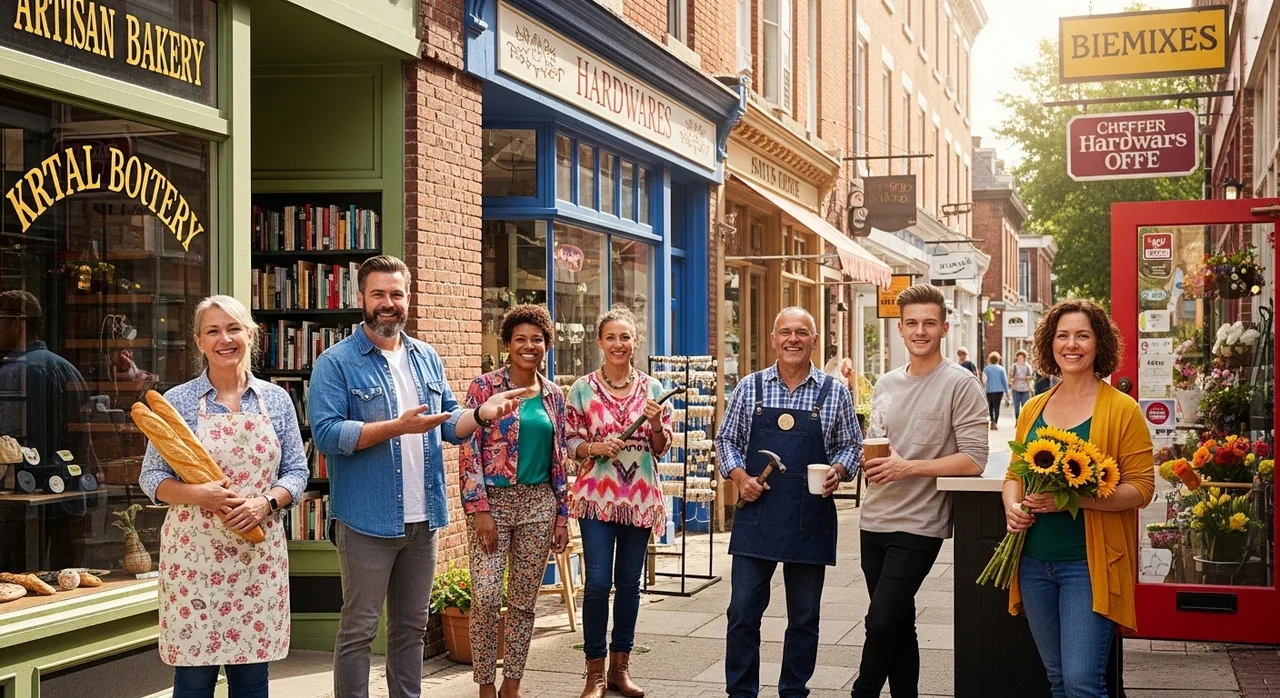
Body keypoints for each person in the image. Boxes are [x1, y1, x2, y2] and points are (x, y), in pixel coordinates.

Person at [309, 255, 526, 698]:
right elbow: (327, 435)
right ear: (360, 299)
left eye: (396, 294)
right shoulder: (336, 362)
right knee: (359, 629)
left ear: (408, 299)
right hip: (366, 519)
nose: (387, 303)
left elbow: (449, 423)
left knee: (410, 629)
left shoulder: (425, 355)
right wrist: (395, 427)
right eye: (378, 295)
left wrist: (482, 414)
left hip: (423, 519)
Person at [139, 295, 309, 698]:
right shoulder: (178, 402)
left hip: (256, 558)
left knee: (252, 681)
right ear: (199, 341)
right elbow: (151, 478)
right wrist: (200, 495)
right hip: (194, 560)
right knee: (194, 680)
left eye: (233, 328)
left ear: (250, 334)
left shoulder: (276, 400)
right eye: (213, 331)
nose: (224, 339)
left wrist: (264, 503)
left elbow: (297, 472)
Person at [1003, 300, 1154, 698]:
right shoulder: (1034, 407)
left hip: (1088, 567)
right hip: (1034, 564)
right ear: (1050, 345)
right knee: (1057, 679)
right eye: (1063, 335)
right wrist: (1012, 508)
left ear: (1098, 343)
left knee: (1083, 684)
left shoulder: (1124, 410)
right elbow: (1013, 476)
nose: (1072, 345)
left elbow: (1141, 489)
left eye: (1082, 335)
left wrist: (1072, 500)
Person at [718, 307, 862, 698]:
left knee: (804, 617)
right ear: (773, 339)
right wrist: (739, 477)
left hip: (810, 517)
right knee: (743, 612)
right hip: (757, 515)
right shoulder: (750, 388)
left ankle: (793, 690)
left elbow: (852, 446)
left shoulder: (835, 392)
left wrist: (840, 470)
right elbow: (725, 441)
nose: (793, 339)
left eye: (802, 332)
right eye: (786, 332)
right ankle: (741, 692)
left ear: (814, 340)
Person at [853, 284, 988, 698]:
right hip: (873, 519)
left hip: (919, 525)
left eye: (929, 323)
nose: (920, 331)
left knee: (879, 621)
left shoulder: (960, 384)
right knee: (897, 622)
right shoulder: (886, 383)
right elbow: (880, 444)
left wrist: (908, 467)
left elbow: (974, 460)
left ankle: (862, 692)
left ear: (945, 328)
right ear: (900, 329)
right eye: (912, 323)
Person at [458, 305, 570, 698]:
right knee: (487, 597)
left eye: (536, 339)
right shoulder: (484, 388)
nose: (529, 346)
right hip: (493, 504)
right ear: (507, 344)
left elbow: (560, 459)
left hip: (539, 504)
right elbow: (468, 450)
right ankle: (485, 685)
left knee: (523, 603)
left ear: (547, 346)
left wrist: (561, 515)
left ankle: (513, 685)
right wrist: (480, 510)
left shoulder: (555, 395)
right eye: (520, 339)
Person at [565, 306, 672, 698]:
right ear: (599, 342)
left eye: (625, 337)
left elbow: (660, 449)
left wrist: (657, 423)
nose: (618, 344)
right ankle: (593, 672)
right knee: (597, 583)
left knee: (629, 585)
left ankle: (619, 668)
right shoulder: (581, 388)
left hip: (640, 499)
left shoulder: (654, 389)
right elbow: (570, 442)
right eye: (611, 337)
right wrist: (596, 445)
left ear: (635, 342)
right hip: (596, 498)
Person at [982, 352, 1010, 429]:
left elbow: (984, 380)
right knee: (997, 406)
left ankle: (992, 420)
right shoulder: (1001, 369)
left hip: (989, 390)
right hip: (999, 390)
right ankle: (996, 422)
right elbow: (1004, 381)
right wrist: (1007, 392)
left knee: (990, 406)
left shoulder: (986, 369)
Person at [1009, 350, 1034, 420]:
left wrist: (1027, 378)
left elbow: (1031, 376)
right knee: (1016, 406)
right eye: (1018, 357)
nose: (1019, 358)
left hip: (1025, 388)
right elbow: (1011, 376)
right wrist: (1012, 379)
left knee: (1025, 405)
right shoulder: (1014, 366)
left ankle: (1024, 420)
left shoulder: (1027, 366)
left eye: (1021, 357)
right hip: (1016, 388)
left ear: (1024, 358)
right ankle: (1017, 420)